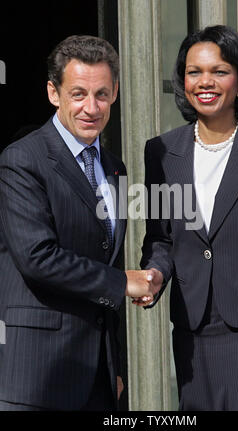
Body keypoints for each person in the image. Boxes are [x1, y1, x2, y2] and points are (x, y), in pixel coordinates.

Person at [139, 25, 238, 410]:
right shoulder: (161, 151)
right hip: (193, 338)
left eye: (220, 71)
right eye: (194, 72)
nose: (205, 82)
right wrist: (154, 275)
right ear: (183, 81)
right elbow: (161, 239)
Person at [0, 35, 156, 411]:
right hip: (38, 377)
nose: (91, 107)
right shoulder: (22, 160)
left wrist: (112, 363)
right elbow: (38, 258)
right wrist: (124, 283)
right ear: (54, 93)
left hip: (98, 379)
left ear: (116, 92)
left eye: (102, 94)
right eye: (78, 94)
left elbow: (105, 257)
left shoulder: (114, 168)